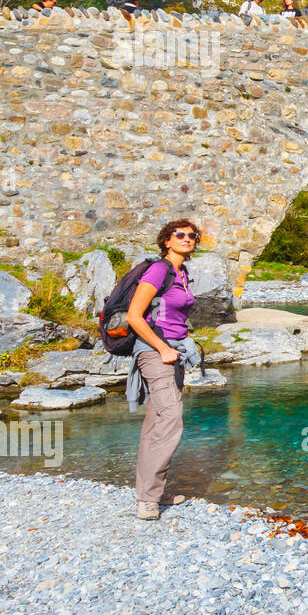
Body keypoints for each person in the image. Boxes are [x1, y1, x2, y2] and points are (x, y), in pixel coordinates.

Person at [126, 219, 203, 520]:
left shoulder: (182, 273)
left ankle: (152, 492)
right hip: (155, 352)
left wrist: (180, 344)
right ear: (166, 240)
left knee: (156, 422)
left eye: (192, 236)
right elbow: (134, 316)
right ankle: (148, 500)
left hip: (174, 352)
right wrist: (162, 348)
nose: (186, 239)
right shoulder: (159, 269)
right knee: (171, 417)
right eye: (179, 235)